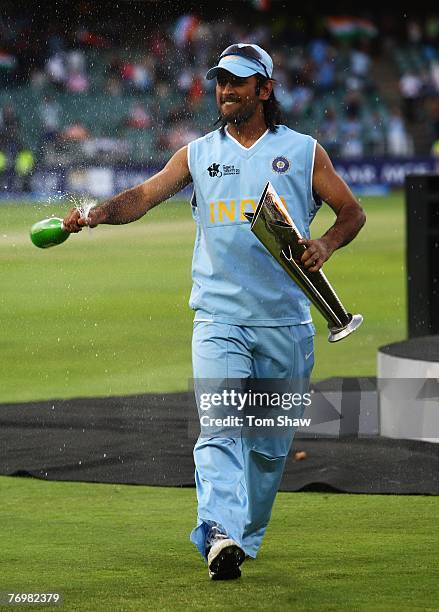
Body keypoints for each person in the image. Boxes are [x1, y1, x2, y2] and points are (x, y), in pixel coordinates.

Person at [63, 43, 366, 581]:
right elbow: (143, 197)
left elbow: (352, 211)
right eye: (222, 81)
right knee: (220, 428)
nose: (226, 90)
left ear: (265, 89)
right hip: (219, 320)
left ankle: (240, 538)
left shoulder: (302, 152)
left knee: (270, 453)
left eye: (239, 82)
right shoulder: (198, 153)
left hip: (286, 324)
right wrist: (93, 214)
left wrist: (326, 244)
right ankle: (217, 531)